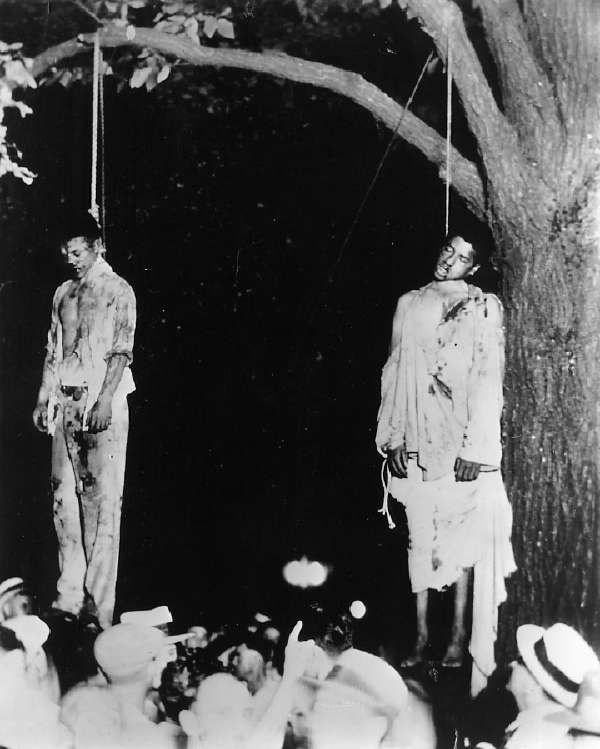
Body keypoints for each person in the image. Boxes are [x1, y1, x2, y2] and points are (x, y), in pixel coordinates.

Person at [376, 234, 516, 692]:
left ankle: (457, 637)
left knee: (461, 541)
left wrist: (477, 448)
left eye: (462, 258)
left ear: (473, 269)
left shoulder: (482, 307)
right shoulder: (409, 303)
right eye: (447, 250)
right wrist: (393, 435)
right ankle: (419, 637)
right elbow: (395, 368)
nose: (449, 260)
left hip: (459, 438)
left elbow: (488, 375)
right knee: (419, 535)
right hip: (417, 432)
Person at [33, 214, 136, 630]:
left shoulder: (118, 290)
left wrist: (106, 399)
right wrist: (44, 398)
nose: (71, 259)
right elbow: (53, 349)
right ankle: (69, 596)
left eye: (78, 251)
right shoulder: (62, 293)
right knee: (64, 501)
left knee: (101, 507)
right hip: (66, 403)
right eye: (66, 253)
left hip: (101, 404)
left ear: (97, 246)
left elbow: (121, 350)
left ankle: (99, 608)